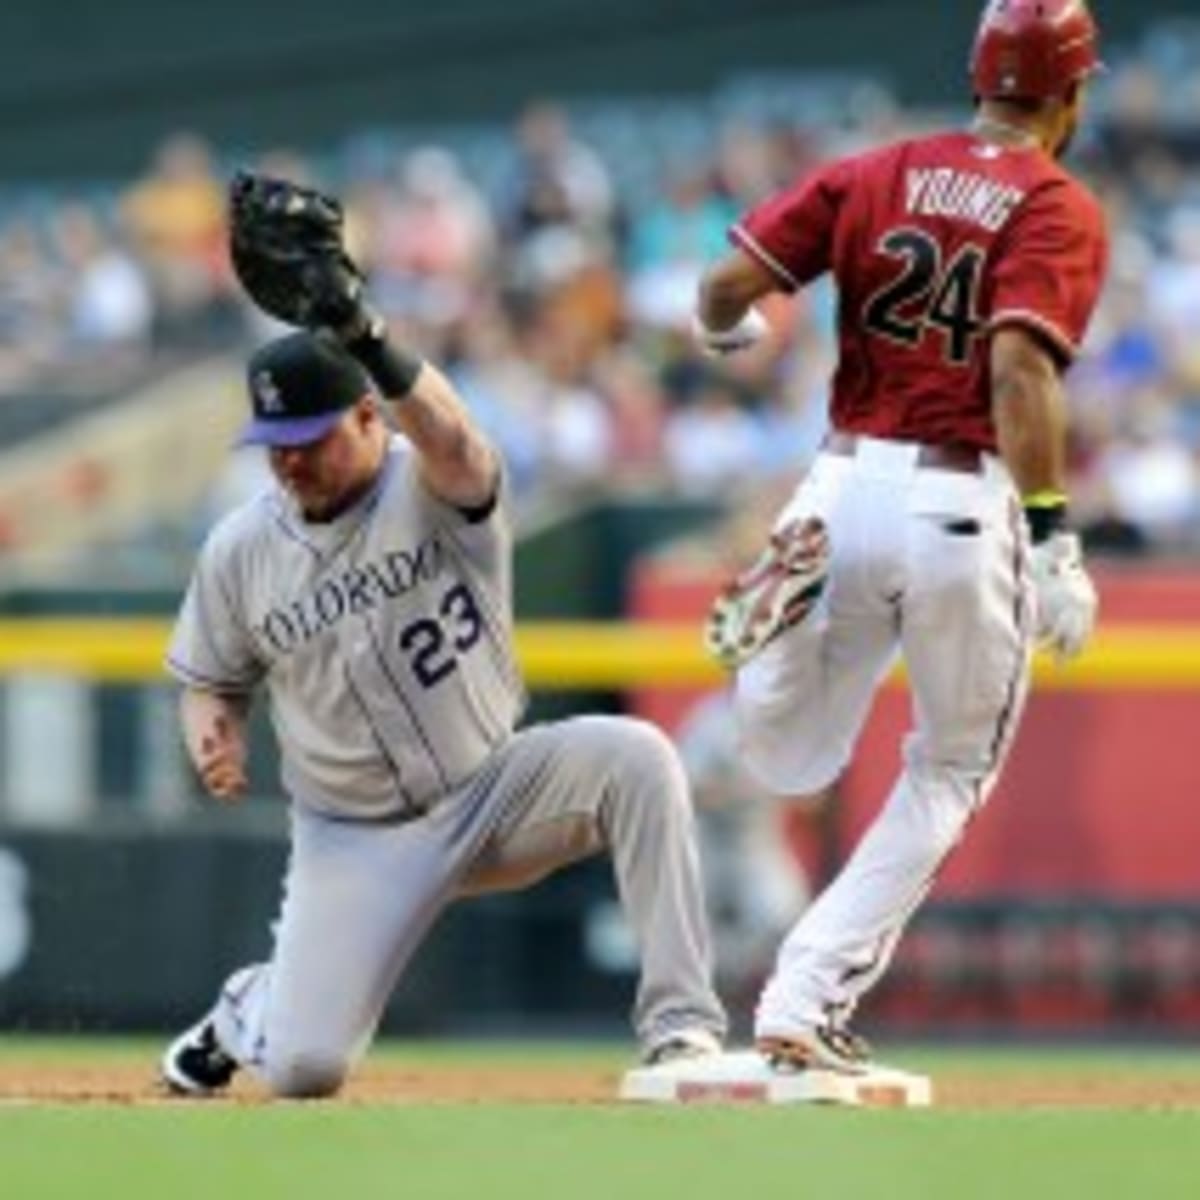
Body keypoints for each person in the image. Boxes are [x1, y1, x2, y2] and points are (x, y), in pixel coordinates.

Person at [694, 0, 1107, 1073]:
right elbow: (1018, 365)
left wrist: (725, 331)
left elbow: (725, 286)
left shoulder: (877, 168)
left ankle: (774, 649)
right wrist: (1057, 537)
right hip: (955, 498)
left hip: (833, 485)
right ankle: (805, 997)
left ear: (979, 75)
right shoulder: (1057, 202)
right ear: (1072, 93)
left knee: (786, 756)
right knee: (949, 772)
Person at [160, 314, 725, 1098]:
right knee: (305, 1069)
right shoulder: (238, 548)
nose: (288, 459)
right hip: (354, 836)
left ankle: (681, 1029)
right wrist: (212, 730)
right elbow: (210, 678)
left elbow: (455, 439)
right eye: (274, 441)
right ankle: (248, 1010)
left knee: (638, 759)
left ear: (369, 415)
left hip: (498, 787)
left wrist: (368, 334)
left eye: (309, 437)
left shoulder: (429, 478)